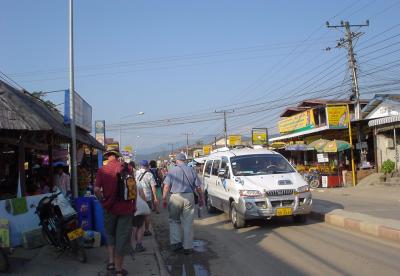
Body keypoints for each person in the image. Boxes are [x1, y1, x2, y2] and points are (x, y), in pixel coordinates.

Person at [94, 150, 135, 276]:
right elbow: (133, 189)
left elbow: (96, 189)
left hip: (109, 208)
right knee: (121, 238)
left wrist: (102, 201)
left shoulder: (103, 170)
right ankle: (119, 271)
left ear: (108, 157)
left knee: (110, 234)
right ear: (118, 157)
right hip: (126, 208)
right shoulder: (128, 168)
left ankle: (111, 262)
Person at [162, 153, 204, 255]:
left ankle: (176, 243)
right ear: (185, 160)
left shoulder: (172, 171)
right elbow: (198, 187)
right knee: (188, 222)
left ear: (176, 161)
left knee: (174, 220)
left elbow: (166, 186)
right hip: (189, 196)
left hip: (175, 196)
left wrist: (164, 198)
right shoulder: (192, 170)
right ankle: (188, 247)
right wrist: (201, 197)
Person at [136, 160, 157, 236]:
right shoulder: (149, 175)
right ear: (147, 166)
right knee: (147, 214)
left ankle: (138, 230)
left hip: (137, 197)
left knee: (138, 214)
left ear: (140, 165)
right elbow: (153, 187)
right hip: (147, 197)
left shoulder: (136, 173)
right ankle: (147, 230)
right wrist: (155, 198)